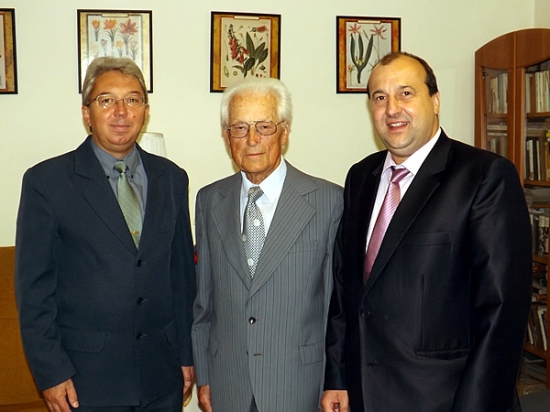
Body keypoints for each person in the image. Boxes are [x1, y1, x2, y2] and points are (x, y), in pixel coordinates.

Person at [321, 51, 532, 412]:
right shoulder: (361, 177)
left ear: (435, 101)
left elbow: (502, 314)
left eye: (406, 93)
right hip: (364, 394)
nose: (392, 109)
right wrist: (337, 378)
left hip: (444, 399)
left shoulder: (484, 176)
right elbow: (345, 288)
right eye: (380, 97)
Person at [15, 57, 196, 412]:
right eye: (106, 100)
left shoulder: (172, 178)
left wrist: (187, 355)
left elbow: (182, 278)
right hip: (86, 381)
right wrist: (50, 372)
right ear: (87, 113)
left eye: (132, 99)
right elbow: (34, 291)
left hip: (161, 376)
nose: (121, 111)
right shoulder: (47, 182)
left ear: (145, 111)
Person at [192, 77, 343, 411]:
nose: (252, 139)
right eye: (240, 128)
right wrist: (204, 374)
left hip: (299, 384)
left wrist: (336, 382)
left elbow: (336, 308)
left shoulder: (328, 201)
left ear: (284, 132)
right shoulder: (209, 200)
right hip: (227, 382)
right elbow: (204, 301)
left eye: (264, 126)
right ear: (227, 136)